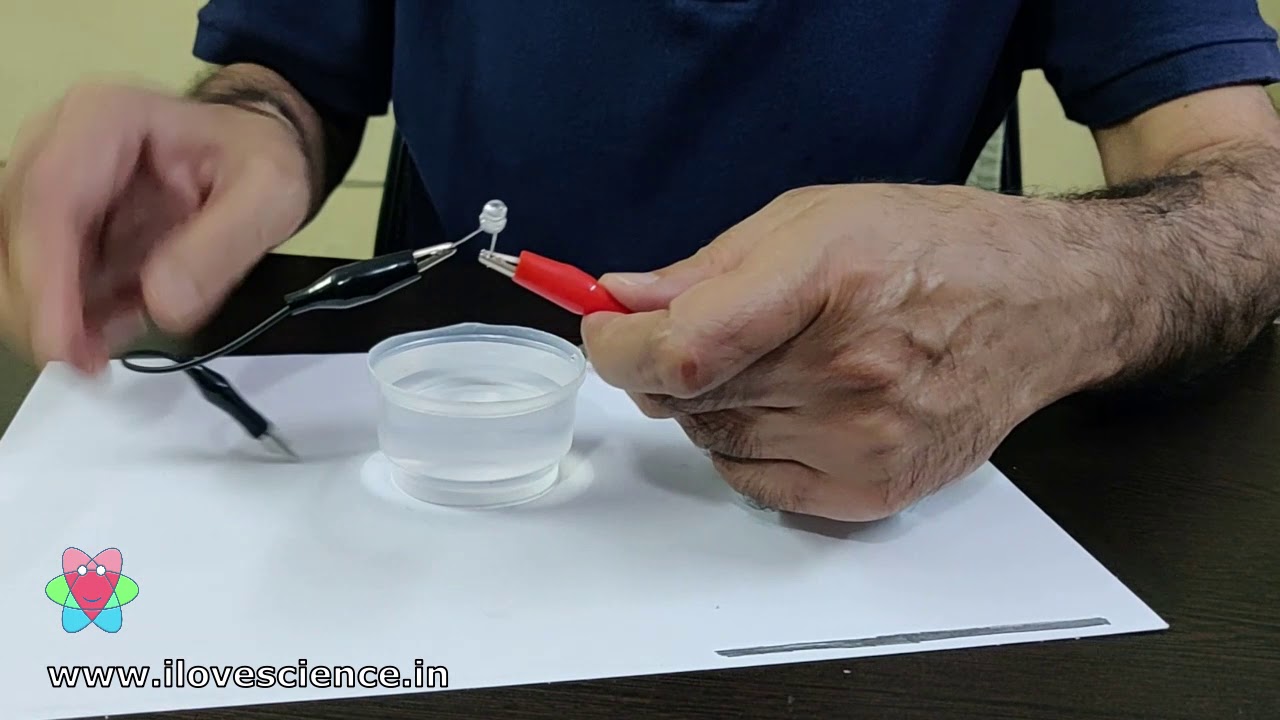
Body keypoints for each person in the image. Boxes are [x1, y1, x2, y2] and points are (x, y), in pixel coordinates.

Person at [2, 2, 1280, 521]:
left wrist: (1072, 277)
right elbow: (288, 71)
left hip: (852, 501)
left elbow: (1248, 191)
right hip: (430, 493)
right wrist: (249, 127)